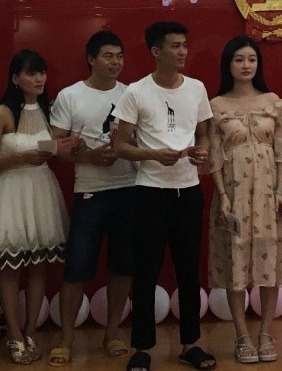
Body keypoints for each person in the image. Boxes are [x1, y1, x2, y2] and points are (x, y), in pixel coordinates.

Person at [114, 21, 216, 371]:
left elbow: (204, 134)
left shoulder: (197, 88)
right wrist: (154, 155)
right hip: (150, 193)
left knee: (189, 271)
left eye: (185, 45)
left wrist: (202, 151)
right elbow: (121, 145)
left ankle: (191, 345)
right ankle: (141, 348)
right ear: (156, 52)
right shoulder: (136, 92)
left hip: (188, 192)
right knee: (146, 272)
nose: (183, 51)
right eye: (175, 46)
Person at [0, 50, 71, 364]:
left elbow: (57, 148)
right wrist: (21, 158)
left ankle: (31, 331)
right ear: (16, 78)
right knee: (10, 268)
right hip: (12, 191)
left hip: (42, 189)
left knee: (39, 266)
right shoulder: (1, 113)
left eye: (41, 72)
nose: (39, 79)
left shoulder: (49, 111)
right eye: (31, 73)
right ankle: (13, 334)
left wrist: (67, 147)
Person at [46, 31, 136, 365]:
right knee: (77, 267)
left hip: (128, 188)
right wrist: (88, 157)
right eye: (108, 56)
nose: (116, 62)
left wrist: (127, 149)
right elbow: (55, 147)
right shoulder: (70, 96)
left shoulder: (132, 94)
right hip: (89, 191)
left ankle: (112, 333)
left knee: (124, 265)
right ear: (91, 59)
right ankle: (66, 338)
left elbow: (141, 139)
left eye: (119, 56)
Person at [208, 36, 282, 364]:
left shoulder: (273, 102)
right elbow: (214, 156)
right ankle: (242, 336)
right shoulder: (216, 106)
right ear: (228, 64)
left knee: (268, 262)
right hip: (233, 196)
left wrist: (280, 192)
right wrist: (222, 196)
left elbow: (281, 150)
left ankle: (265, 333)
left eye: (251, 59)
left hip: (268, 196)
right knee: (235, 262)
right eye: (239, 59)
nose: (246, 65)